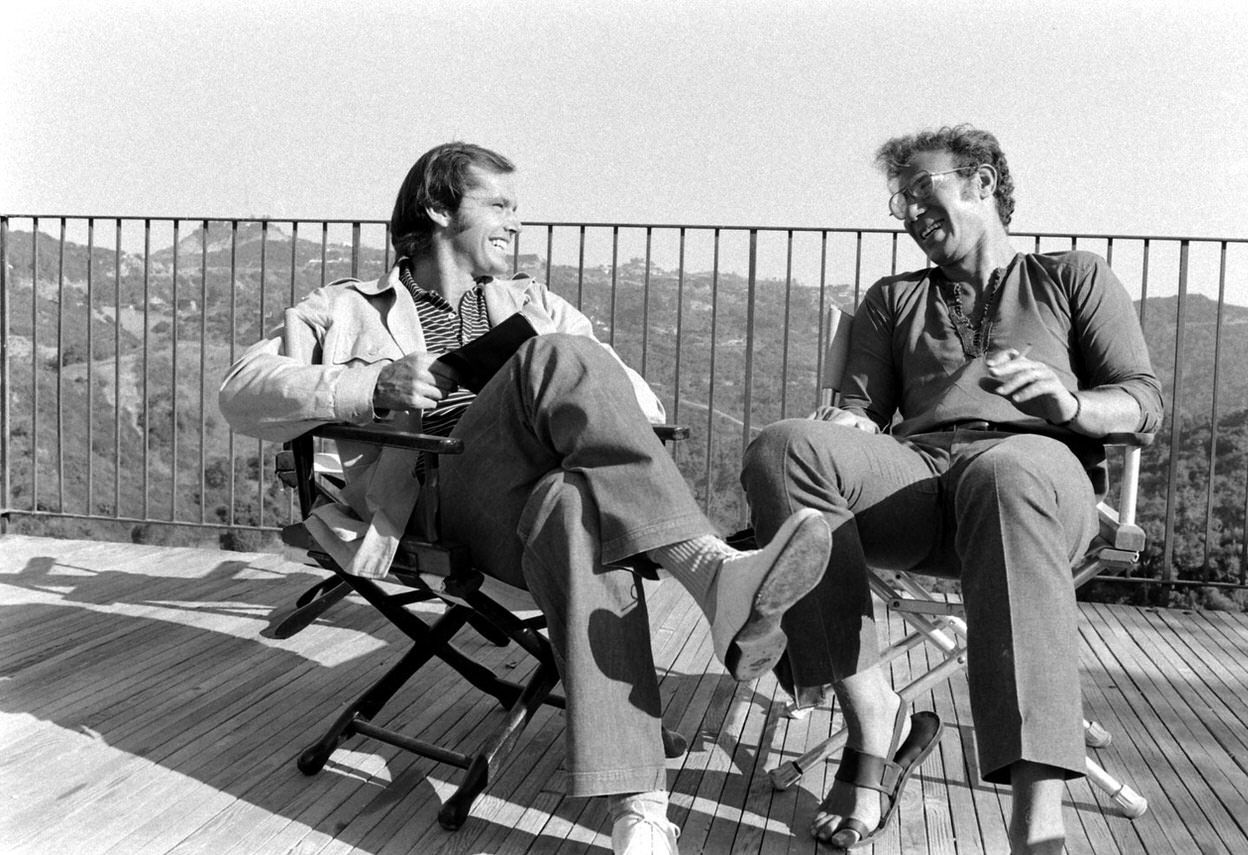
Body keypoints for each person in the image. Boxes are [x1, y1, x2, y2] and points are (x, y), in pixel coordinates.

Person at [219, 142, 831, 855]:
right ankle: (710, 569)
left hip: (531, 504)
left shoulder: (535, 303)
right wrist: (372, 386)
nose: (516, 224)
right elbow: (241, 392)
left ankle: (641, 809)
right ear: (440, 206)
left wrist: (562, 379)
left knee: (575, 505)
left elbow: (642, 400)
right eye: (500, 206)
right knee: (556, 358)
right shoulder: (349, 308)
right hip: (433, 503)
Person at [741, 125, 1162, 854]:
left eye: (919, 189)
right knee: (784, 448)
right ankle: (878, 722)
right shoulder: (895, 298)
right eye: (897, 200)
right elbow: (862, 416)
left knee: (1007, 471)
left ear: (982, 183)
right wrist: (844, 422)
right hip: (924, 480)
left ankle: (1038, 826)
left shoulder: (1072, 276)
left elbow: (1143, 402)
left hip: (1039, 474)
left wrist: (1068, 406)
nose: (906, 211)